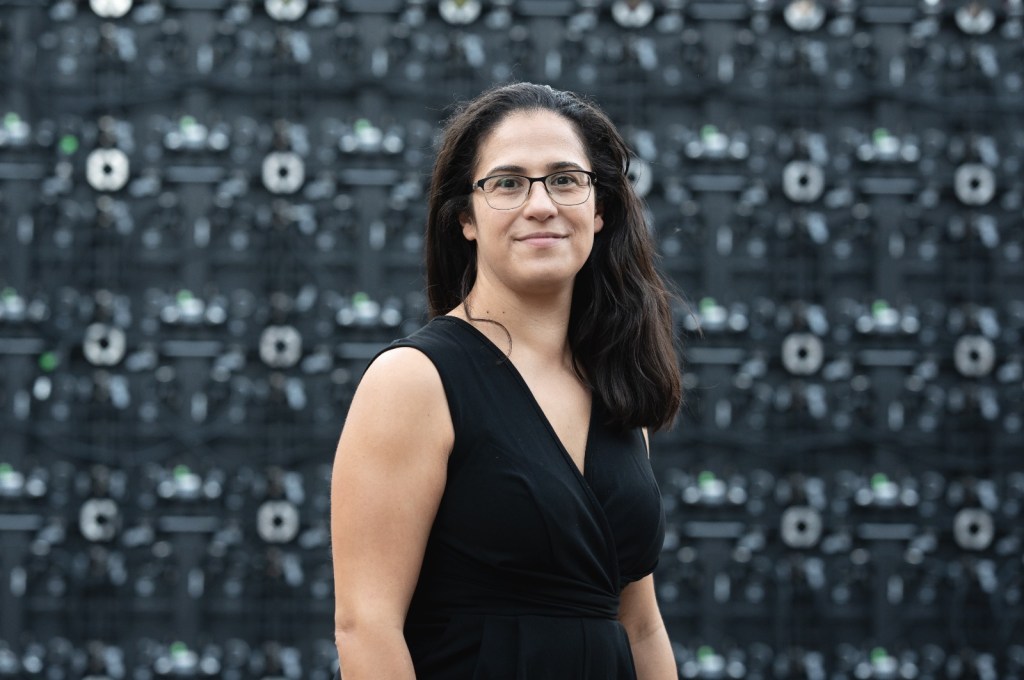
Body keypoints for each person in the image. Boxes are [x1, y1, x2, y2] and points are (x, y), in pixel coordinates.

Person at [330, 82, 682, 679]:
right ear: (465, 216)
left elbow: (641, 626)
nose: (540, 204)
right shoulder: (414, 382)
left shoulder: (620, 397)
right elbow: (365, 625)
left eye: (566, 179)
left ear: (600, 210)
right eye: (508, 182)